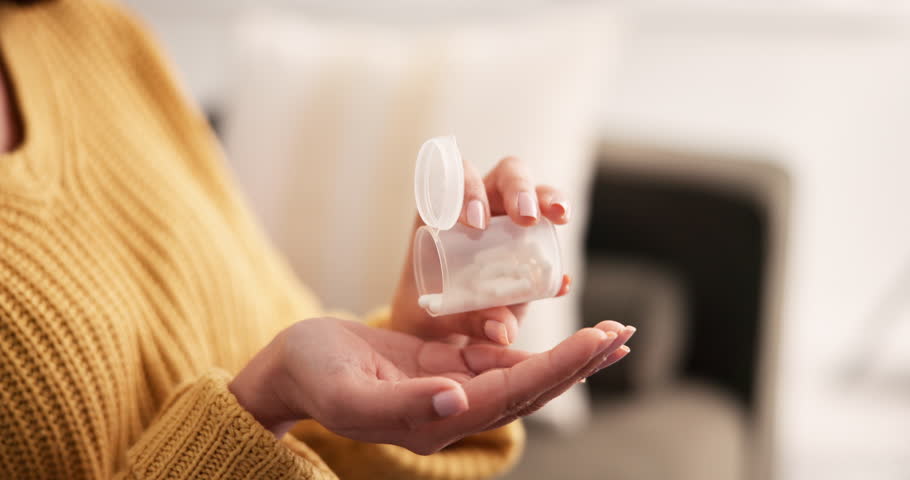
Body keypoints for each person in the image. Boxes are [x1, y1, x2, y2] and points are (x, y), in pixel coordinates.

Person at [0, 0, 634, 479]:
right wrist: (259, 405)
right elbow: (271, 382)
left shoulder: (92, 37)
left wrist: (403, 356)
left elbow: (277, 342)